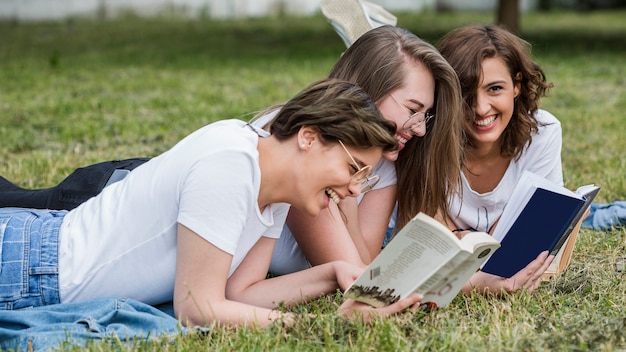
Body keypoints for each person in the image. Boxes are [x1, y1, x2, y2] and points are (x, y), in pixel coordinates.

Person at [0, 25, 465, 277]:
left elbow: (359, 256)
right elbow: (354, 267)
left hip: (180, 208)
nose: (420, 129)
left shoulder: (370, 164)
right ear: (373, 87)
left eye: (426, 116)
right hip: (111, 197)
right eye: (413, 109)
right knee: (17, 211)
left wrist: (369, 178)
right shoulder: (303, 161)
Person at [0, 78, 423, 328]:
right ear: (309, 138)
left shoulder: (272, 189)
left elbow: (240, 294)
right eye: (354, 168)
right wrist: (324, 325)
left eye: (364, 177)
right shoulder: (232, 164)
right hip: (26, 270)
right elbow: (197, 309)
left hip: (37, 262)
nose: (354, 189)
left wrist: (333, 274)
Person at [434, 25, 563, 294]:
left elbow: (526, 233)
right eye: (465, 93)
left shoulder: (543, 132)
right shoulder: (429, 137)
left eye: (494, 88)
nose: (480, 108)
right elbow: (431, 243)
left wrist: (464, 239)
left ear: (516, 85)